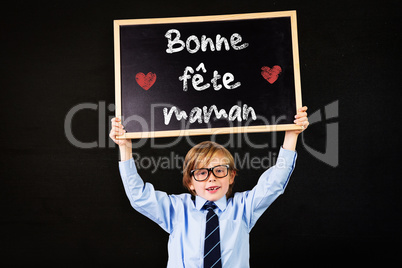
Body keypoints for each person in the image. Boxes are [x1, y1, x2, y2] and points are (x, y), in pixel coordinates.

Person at [109, 107, 309, 268]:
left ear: (231, 176)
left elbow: (274, 183)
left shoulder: (243, 208)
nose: (211, 179)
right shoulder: (176, 209)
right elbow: (139, 196)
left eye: (219, 170)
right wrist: (125, 148)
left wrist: (291, 136)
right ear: (190, 182)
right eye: (202, 173)